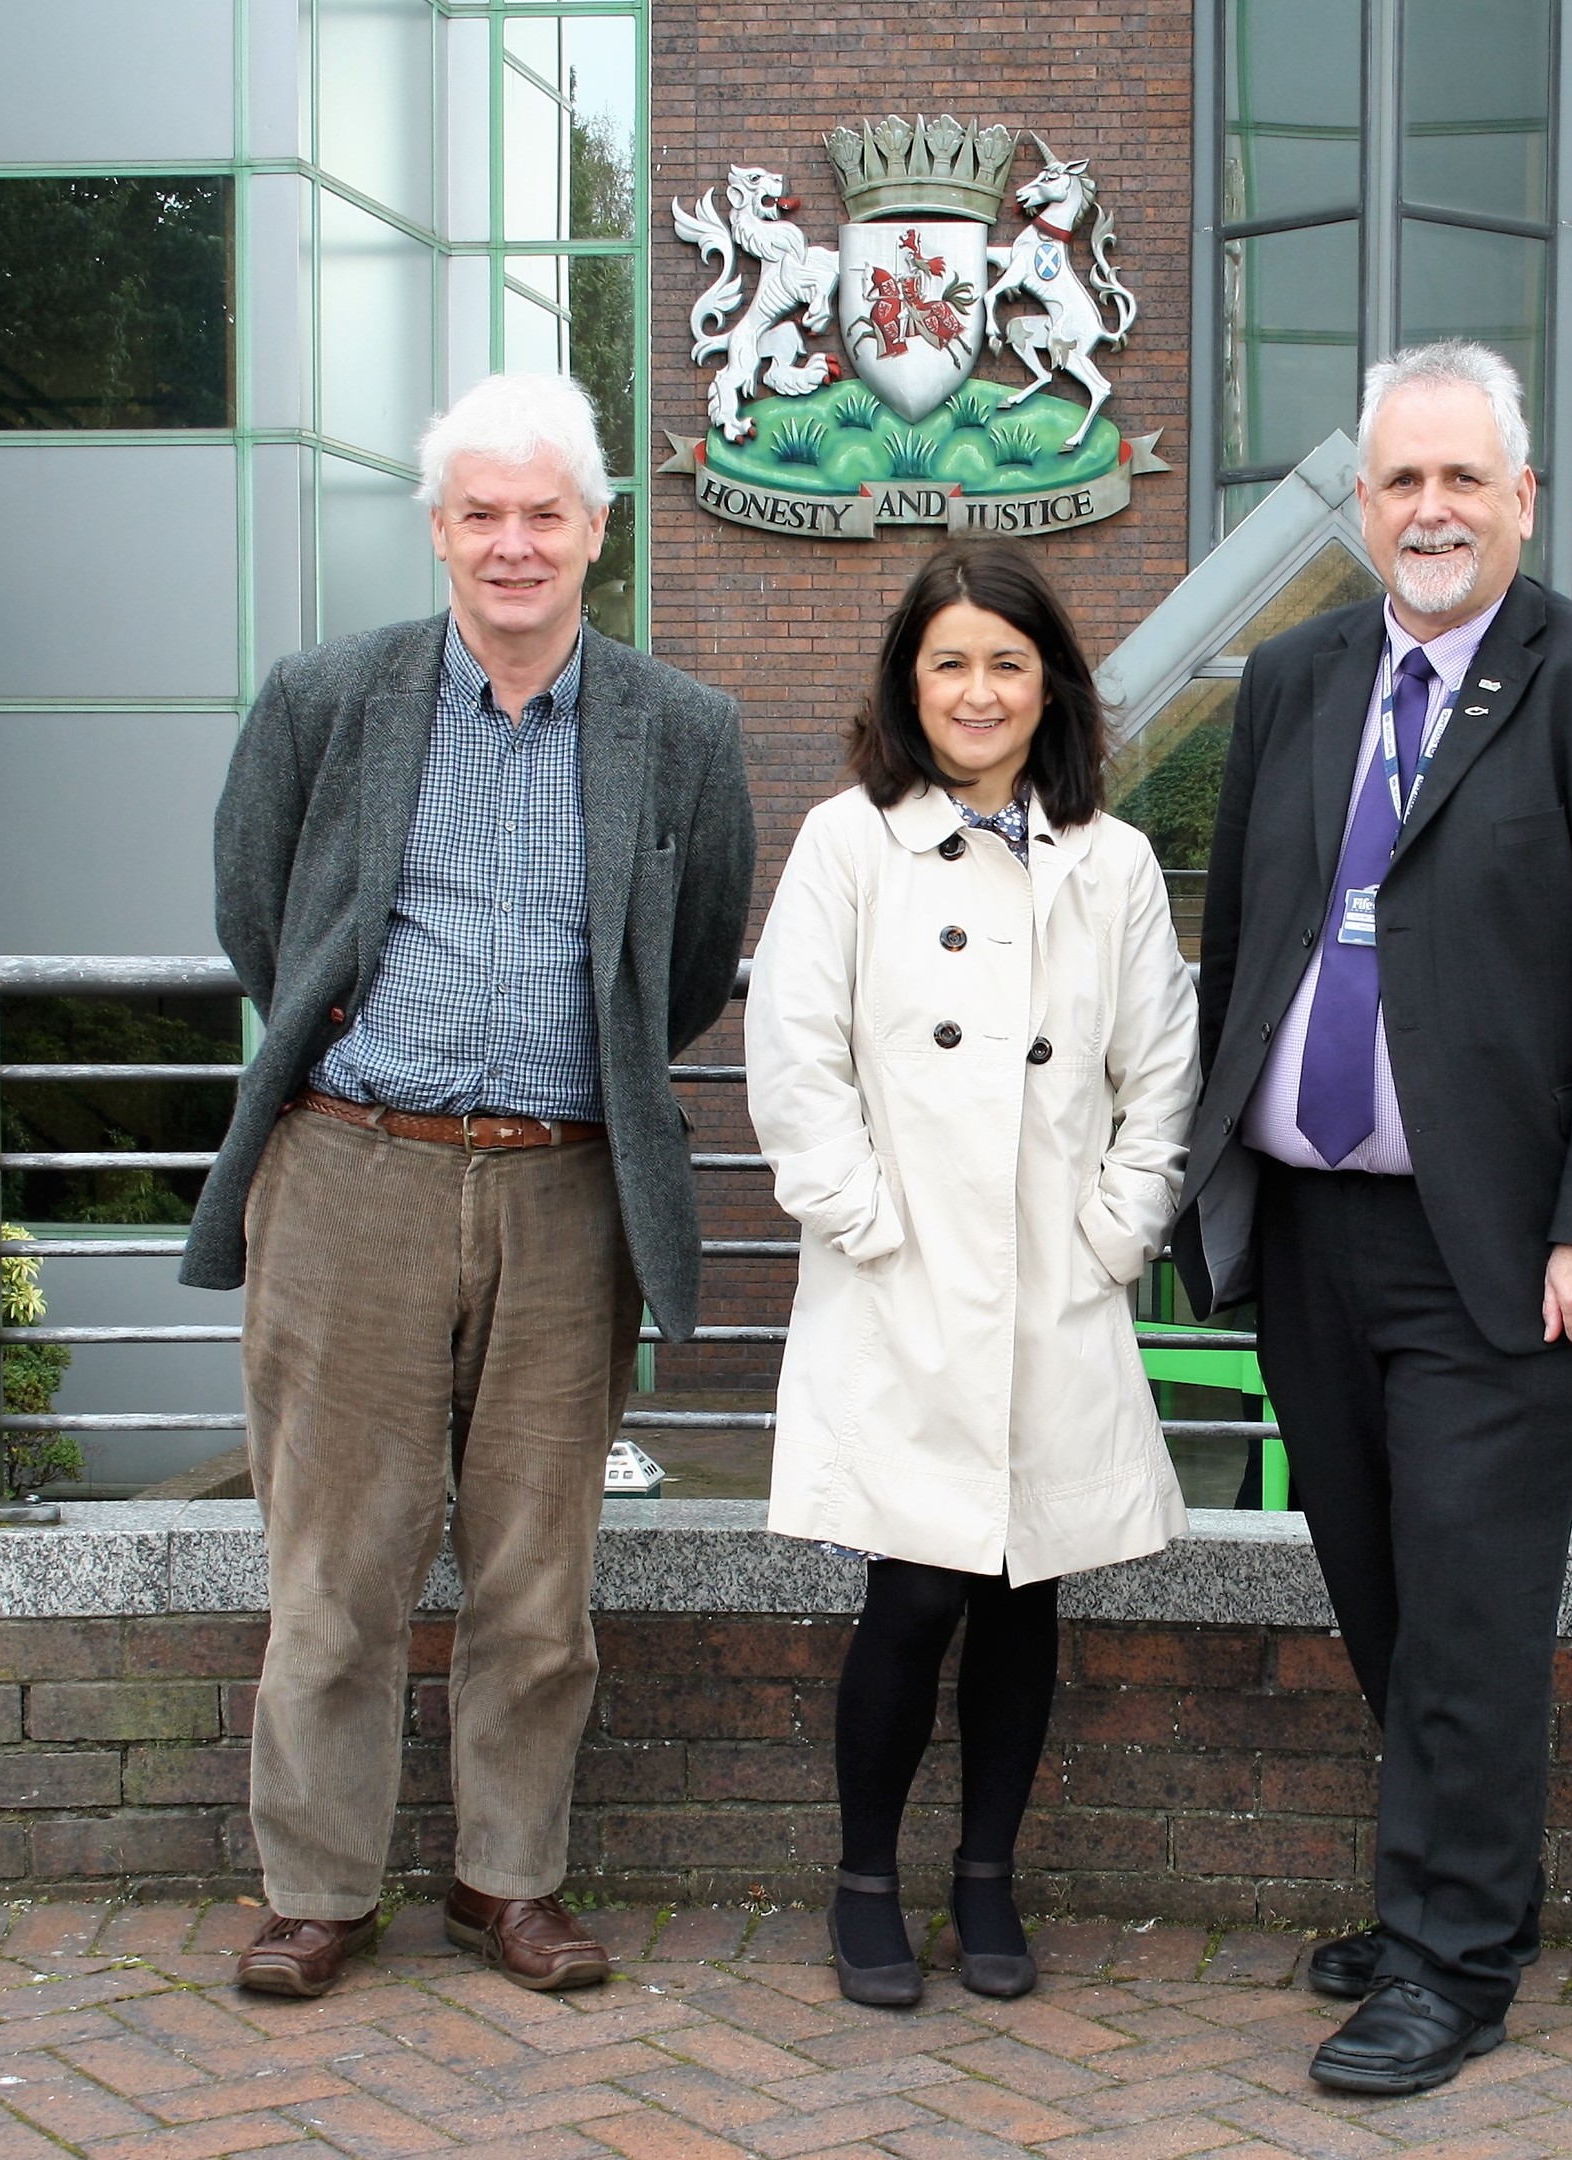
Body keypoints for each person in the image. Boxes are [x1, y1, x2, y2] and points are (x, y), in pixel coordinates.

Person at [1174, 341, 1572, 2093]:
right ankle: (1454, 1890)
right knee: (1383, 1602)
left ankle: (1451, 1966)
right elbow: (1249, 937)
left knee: (1473, 1618)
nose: (1428, 510)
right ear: (1361, 504)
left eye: (1460, 480)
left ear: (1521, 500)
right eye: (1399, 481)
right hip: (1315, 1234)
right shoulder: (1295, 676)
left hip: (1508, 1252)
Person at [180, 371, 756, 2000]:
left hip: (570, 1192)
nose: (515, 544)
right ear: (439, 530)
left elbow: (693, 958)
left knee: (535, 1576)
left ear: (596, 532)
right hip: (353, 1173)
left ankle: (507, 1881)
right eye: (483, 514)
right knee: (333, 1569)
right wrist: (341, 1010)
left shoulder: (683, 730)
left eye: (545, 514)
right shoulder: (325, 699)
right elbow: (254, 908)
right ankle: (320, 1889)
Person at [747, 537, 1200, 2008]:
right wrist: (860, 1218)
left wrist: (1113, 1234)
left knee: (1026, 1594)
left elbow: (1162, 1074)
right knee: (916, 1588)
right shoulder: (846, 843)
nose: (978, 689)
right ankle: (864, 1879)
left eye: (1006, 661)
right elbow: (793, 1057)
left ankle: (988, 1881)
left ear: (1047, 684)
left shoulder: (1111, 862)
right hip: (901, 1281)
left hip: (1054, 1288)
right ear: (909, 680)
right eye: (949, 660)